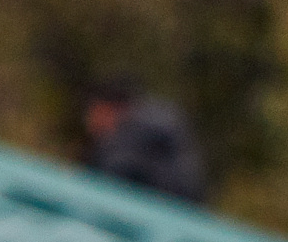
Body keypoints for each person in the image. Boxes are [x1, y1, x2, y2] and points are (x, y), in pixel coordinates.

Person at [84, 76, 206, 205]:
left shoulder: (131, 137)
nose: (91, 123)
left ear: (108, 109)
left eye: (94, 113)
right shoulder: (158, 119)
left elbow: (109, 176)